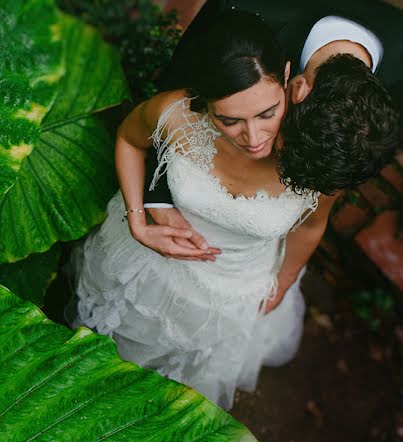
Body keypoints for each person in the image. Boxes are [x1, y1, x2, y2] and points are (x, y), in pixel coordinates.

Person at [72, 10, 336, 410]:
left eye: (268, 113)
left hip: (234, 288)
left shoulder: (317, 149)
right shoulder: (176, 114)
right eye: (229, 120)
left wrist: (283, 282)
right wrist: (138, 220)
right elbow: (130, 139)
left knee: (180, 385)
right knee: (111, 350)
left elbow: (311, 226)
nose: (254, 137)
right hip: (149, 268)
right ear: (204, 100)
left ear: (287, 77)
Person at [141, 0, 400, 262]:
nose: (257, 142)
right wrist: (156, 200)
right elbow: (169, 104)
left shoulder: (387, 99)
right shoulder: (242, 12)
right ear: (297, 88)